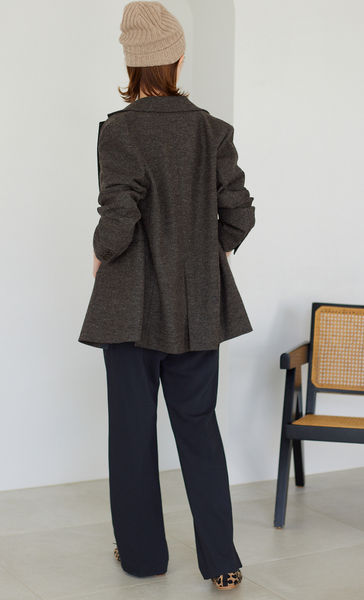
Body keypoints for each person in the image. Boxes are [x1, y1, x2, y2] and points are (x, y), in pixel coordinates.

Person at [79, 1, 255, 591]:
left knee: (132, 434)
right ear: (179, 59)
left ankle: (143, 557)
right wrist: (209, 254)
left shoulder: (119, 130)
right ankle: (222, 561)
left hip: (130, 311)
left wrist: (101, 252)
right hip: (198, 308)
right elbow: (240, 214)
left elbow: (118, 215)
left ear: (131, 65)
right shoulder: (213, 130)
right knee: (199, 428)